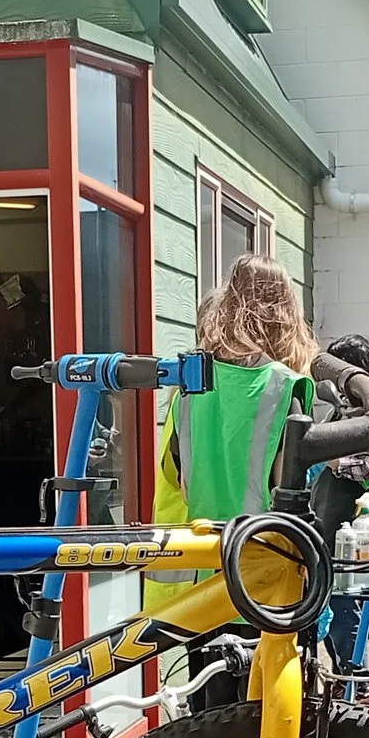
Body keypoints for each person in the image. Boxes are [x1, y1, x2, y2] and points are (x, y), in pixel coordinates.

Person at [146, 254, 318, 612]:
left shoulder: (189, 387)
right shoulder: (283, 387)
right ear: (287, 315)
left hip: (201, 581)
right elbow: (294, 489)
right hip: (265, 581)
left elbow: (176, 477)